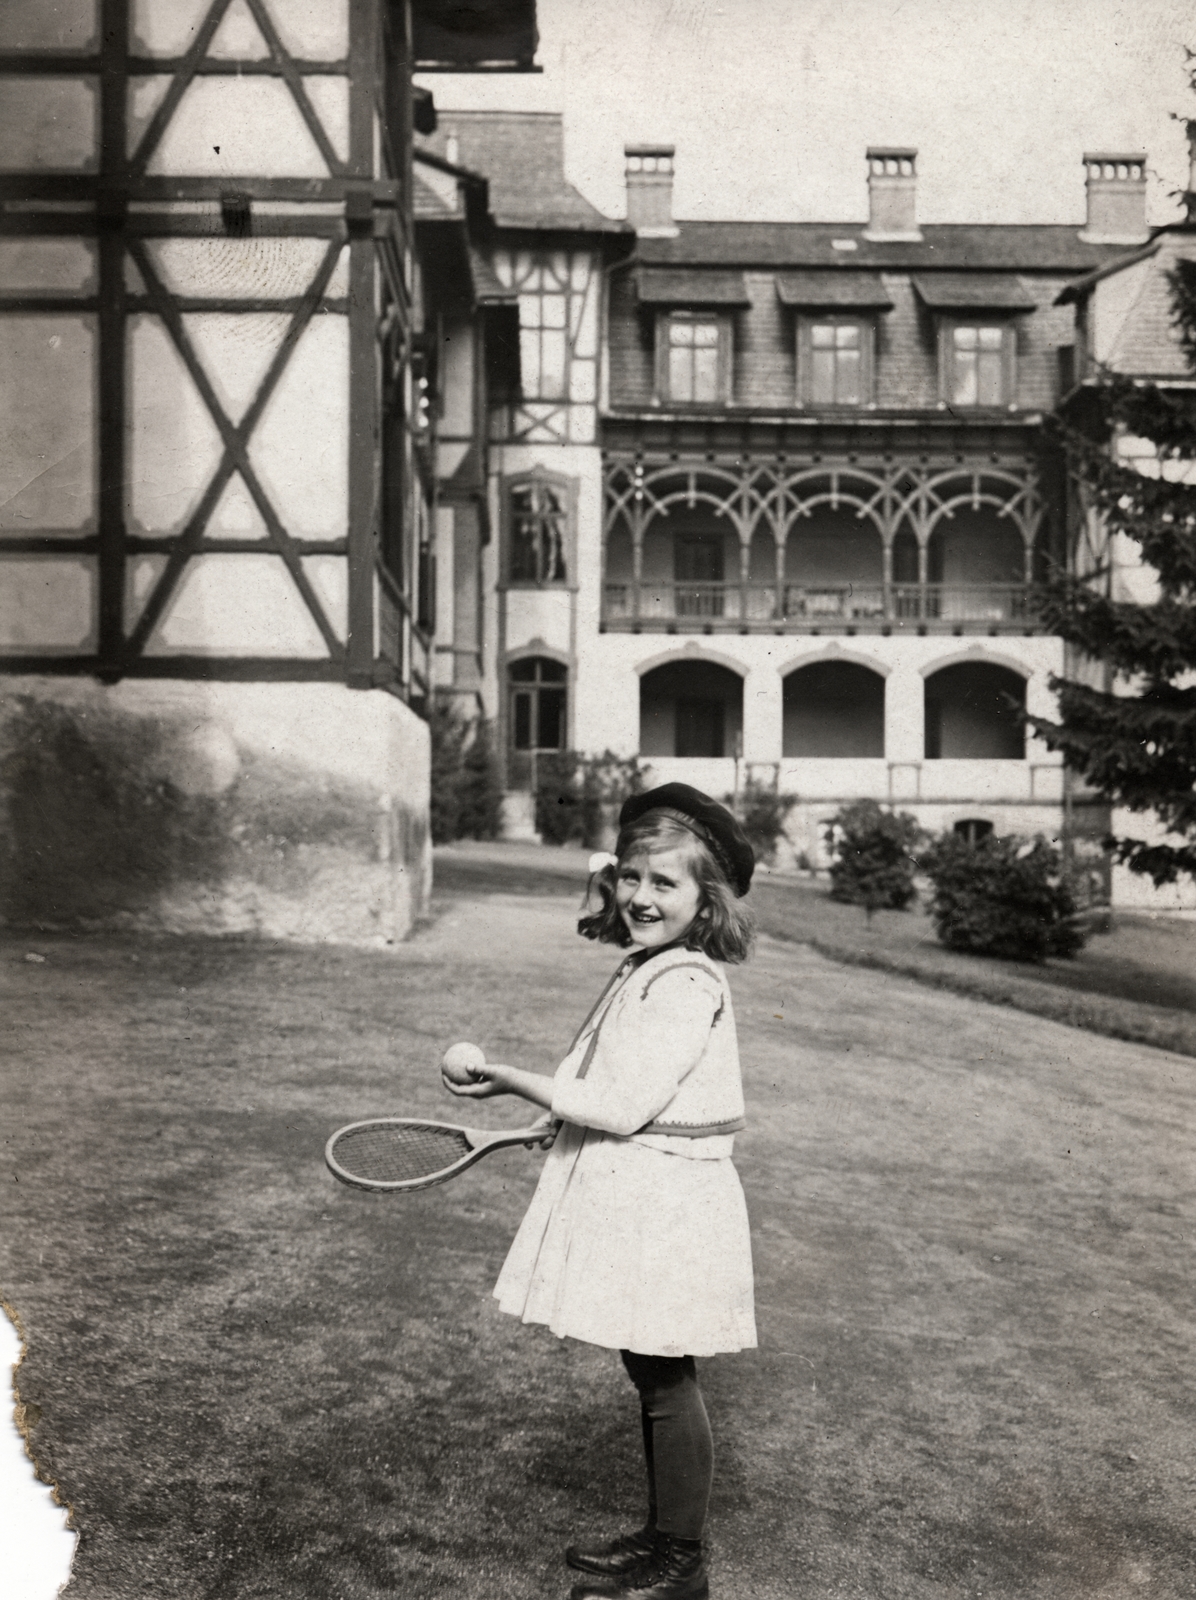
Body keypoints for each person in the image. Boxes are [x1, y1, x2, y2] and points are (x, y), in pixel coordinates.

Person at [442, 782, 757, 1600]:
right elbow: (607, 1079)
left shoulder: (687, 982)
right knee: (648, 1363)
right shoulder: (647, 966)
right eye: (632, 878)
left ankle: (680, 1561)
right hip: (639, 1188)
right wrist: (558, 1120)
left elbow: (619, 1104)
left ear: (705, 899)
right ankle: (663, 1539)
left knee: (664, 1371)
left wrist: (511, 1079)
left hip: (668, 1204)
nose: (644, 897)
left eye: (667, 884)